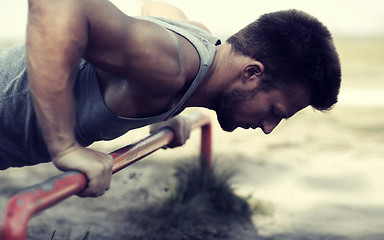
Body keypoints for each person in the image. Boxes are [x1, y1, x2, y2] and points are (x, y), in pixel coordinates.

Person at [0, 0, 341, 197]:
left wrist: (167, 111)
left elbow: (158, 7)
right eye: (274, 111)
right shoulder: (170, 65)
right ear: (252, 73)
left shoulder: (198, 46)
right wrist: (65, 147)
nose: (268, 128)